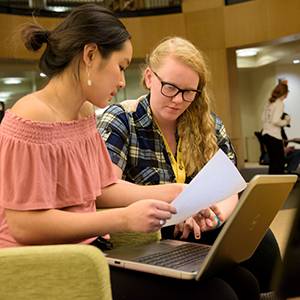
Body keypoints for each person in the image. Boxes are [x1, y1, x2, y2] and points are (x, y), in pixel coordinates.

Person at [0, 5, 260, 300]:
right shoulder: (30, 117)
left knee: (244, 284)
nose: (123, 82)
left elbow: (103, 189)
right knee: (218, 294)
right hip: (48, 265)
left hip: (89, 253)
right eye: (121, 67)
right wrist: (123, 219)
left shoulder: (83, 112)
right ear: (90, 55)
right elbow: (25, 226)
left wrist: (180, 192)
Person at [98, 36, 280, 293]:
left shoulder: (208, 124)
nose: (178, 100)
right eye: (170, 87)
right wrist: (173, 199)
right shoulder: (122, 119)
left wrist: (212, 218)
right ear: (150, 78)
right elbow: (104, 190)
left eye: (189, 92)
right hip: (155, 234)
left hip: (203, 227)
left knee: (263, 245)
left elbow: (230, 188)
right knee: (232, 288)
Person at [262, 80, 290, 174]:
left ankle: (272, 184)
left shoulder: (270, 103)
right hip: (274, 135)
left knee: (273, 162)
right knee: (279, 162)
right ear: (285, 93)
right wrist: (286, 121)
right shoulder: (279, 103)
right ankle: (279, 185)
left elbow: (263, 118)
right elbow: (275, 121)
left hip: (265, 134)